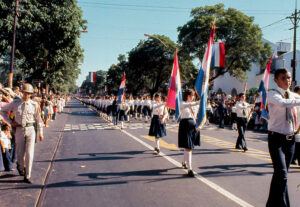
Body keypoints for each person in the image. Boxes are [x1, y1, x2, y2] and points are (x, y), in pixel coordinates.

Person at [266, 68, 300, 207]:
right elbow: (282, 104)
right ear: (276, 80)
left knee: (280, 176)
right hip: (276, 139)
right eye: (284, 78)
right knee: (282, 174)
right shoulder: (272, 94)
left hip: (291, 139)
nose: (288, 80)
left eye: (289, 77)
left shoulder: (294, 96)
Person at [0, 83, 44, 184]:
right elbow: (2, 111)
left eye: (28, 94)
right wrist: (10, 122)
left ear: (31, 94)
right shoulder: (15, 103)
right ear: (22, 92)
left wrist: (40, 132)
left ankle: (27, 175)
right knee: (20, 154)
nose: (26, 95)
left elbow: (39, 120)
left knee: (29, 153)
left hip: (30, 129)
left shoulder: (34, 105)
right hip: (19, 130)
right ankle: (20, 167)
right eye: (25, 93)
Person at [178, 89, 200, 177]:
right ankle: (190, 168)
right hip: (185, 125)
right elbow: (189, 105)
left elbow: (199, 114)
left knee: (188, 146)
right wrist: (198, 102)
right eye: (190, 95)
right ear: (186, 96)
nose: (192, 97)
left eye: (193, 95)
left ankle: (183, 162)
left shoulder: (196, 105)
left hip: (193, 125)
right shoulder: (182, 103)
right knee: (189, 147)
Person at [292, 85, 300, 166]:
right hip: (296, 126)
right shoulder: (294, 101)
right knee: (297, 143)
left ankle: (293, 158)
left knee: (297, 144)